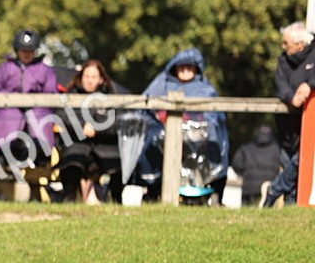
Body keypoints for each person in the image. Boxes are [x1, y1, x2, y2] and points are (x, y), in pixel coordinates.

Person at [136, 48, 229, 201]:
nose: (185, 70)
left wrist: (197, 126)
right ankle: (155, 189)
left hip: (197, 141)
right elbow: (144, 110)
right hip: (162, 138)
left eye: (189, 67)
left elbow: (213, 118)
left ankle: (203, 190)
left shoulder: (205, 89)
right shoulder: (161, 85)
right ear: (174, 68)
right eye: (181, 67)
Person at [0, 29, 57, 173]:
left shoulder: (45, 70)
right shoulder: (4, 68)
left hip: (37, 112)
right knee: (6, 120)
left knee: (41, 123)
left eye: (30, 50)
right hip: (9, 112)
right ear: (17, 50)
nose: (26, 53)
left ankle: (40, 157)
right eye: (23, 50)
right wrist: (13, 100)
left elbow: (51, 92)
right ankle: (2, 157)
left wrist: (33, 102)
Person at [57, 59, 125, 203]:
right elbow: (62, 115)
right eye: (87, 76)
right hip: (76, 141)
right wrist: (82, 126)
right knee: (72, 159)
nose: (89, 81)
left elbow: (119, 120)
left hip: (104, 144)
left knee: (117, 162)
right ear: (81, 77)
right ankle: (69, 198)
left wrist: (98, 127)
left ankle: (115, 199)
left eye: (93, 77)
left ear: (100, 79)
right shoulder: (71, 95)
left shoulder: (111, 97)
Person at [264, 23, 314, 207]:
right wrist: (290, 97)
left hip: (308, 123)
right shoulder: (283, 60)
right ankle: (290, 205)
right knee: (291, 163)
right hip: (287, 123)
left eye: (286, 43)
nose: (283, 47)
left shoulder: (313, 55)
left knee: (300, 161)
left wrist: (309, 85)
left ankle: (274, 190)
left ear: (299, 44)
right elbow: (279, 83)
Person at [232, 125, 283, 207]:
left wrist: (245, 175)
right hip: (270, 188)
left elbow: (236, 164)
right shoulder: (278, 149)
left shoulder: (246, 148)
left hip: (249, 189)